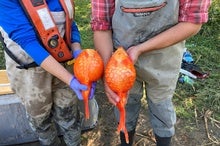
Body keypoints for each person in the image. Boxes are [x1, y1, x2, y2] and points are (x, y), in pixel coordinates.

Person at [91, 0, 211, 146]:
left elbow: (192, 22)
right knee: (125, 105)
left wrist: (140, 48)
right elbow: (102, 25)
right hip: (121, 62)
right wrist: (107, 74)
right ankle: (126, 141)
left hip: (165, 56)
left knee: (161, 107)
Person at [0, 0, 97, 146]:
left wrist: (76, 49)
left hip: (64, 61)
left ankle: (74, 142)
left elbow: (70, 22)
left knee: (69, 113)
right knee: (40, 119)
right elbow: (27, 40)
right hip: (29, 72)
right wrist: (70, 80)